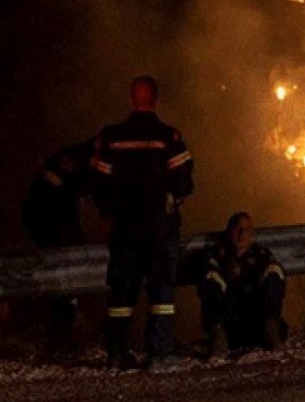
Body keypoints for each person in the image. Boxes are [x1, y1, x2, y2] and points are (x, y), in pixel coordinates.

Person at [91, 76, 194, 369]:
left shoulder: (111, 136)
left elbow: (98, 180)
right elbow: (184, 181)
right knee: (161, 289)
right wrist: (174, 197)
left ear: (131, 100)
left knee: (122, 289)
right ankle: (158, 354)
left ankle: (116, 353)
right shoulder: (167, 137)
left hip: (123, 225)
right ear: (156, 100)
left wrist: (108, 212)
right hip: (157, 225)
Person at [22, 139, 94, 354]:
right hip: (56, 234)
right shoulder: (75, 167)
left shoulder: (64, 167)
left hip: (52, 233)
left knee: (63, 290)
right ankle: (60, 341)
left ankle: (60, 339)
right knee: (64, 290)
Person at [200, 212, 287, 358]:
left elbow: (273, 281)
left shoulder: (262, 255)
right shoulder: (216, 256)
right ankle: (219, 341)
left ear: (252, 234)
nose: (241, 234)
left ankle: (272, 333)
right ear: (229, 231)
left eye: (246, 230)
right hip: (229, 322)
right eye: (237, 229)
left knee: (274, 272)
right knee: (210, 280)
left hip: (256, 319)